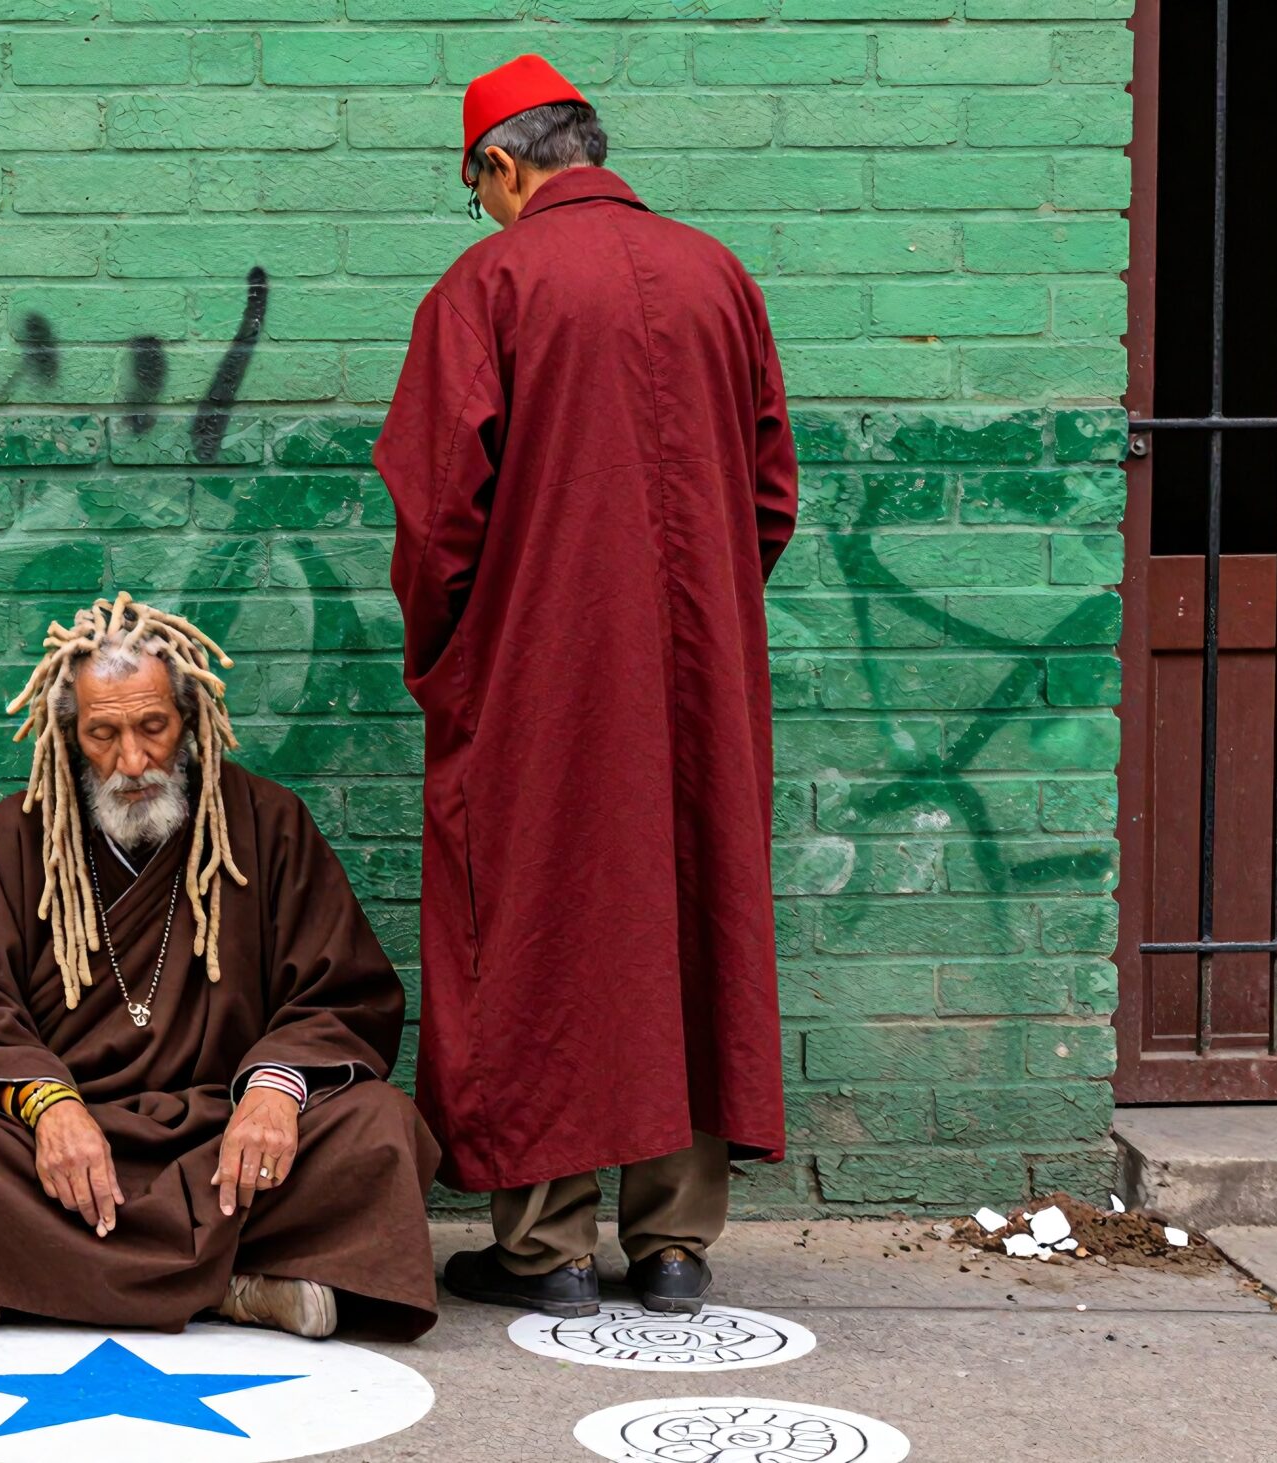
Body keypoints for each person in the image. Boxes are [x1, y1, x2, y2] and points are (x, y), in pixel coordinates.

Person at [374, 54, 799, 1318]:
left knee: (540, 924)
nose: (483, 208)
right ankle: (672, 1243)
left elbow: (439, 516)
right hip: (699, 671)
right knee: (688, 910)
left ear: (501, 164)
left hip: (540, 671)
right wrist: (703, 603)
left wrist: (456, 664)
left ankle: (544, 1246)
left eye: (477, 188)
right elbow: (769, 495)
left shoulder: (490, 283)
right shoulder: (717, 274)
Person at [0, 593, 441, 1340]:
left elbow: (341, 991)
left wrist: (278, 1091)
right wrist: (47, 1106)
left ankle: (21, 1276)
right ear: (67, 735)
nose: (134, 760)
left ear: (191, 719)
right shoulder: (17, 838)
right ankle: (239, 1287)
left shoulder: (266, 822)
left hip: (225, 1141)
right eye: (103, 734)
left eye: (153, 726)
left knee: (381, 1126)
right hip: (58, 1146)